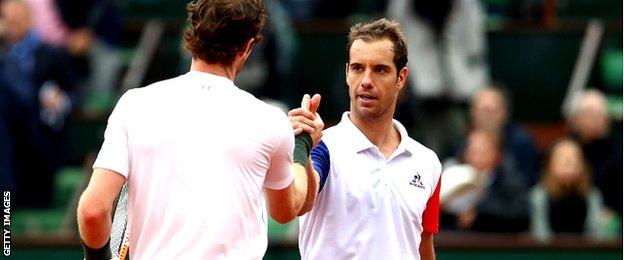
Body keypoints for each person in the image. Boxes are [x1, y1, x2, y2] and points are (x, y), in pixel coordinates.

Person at [76, 0, 323, 259]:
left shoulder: (133, 104)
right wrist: (303, 144)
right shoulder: (271, 120)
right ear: (248, 47)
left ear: (191, 35)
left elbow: (93, 211)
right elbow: (286, 210)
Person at [295, 19, 441, 260]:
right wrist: (303, 145)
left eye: (380, 69)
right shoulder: (322, 148)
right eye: (357, 68)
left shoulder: (428, 162)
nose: (365, 81)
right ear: (347, 73)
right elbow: (300, 202)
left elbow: (424, 246)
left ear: (401, 78)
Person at [0, 0, 77, 207]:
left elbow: (75, 93)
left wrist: (61, 101)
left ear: (30, 18)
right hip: (10, 146)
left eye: (18, 17)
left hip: (42, 146)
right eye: (8, 17)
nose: (13, 22)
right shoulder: (4, 57)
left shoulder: (52, 54)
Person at [440, 129, 528, 232]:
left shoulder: (508, 179)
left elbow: (520, 212)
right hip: (454, 239)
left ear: (497, 154)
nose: (476, 158)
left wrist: (478, 211)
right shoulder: (453, 175)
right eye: (472, 151)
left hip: (492, 240)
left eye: (482, 152)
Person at [530, 138, 605, 242]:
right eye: (562, 159)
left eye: (574, 159)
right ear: (550, 164)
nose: (569, 164)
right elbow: (541, 238)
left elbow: (596, 237)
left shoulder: (592, 196)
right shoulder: (539, 196)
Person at [566, 89, 622, 216]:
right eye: (590, 114)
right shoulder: (566, 150)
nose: (596, 120)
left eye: (600, 115)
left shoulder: (619, 153)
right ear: (576, 119)